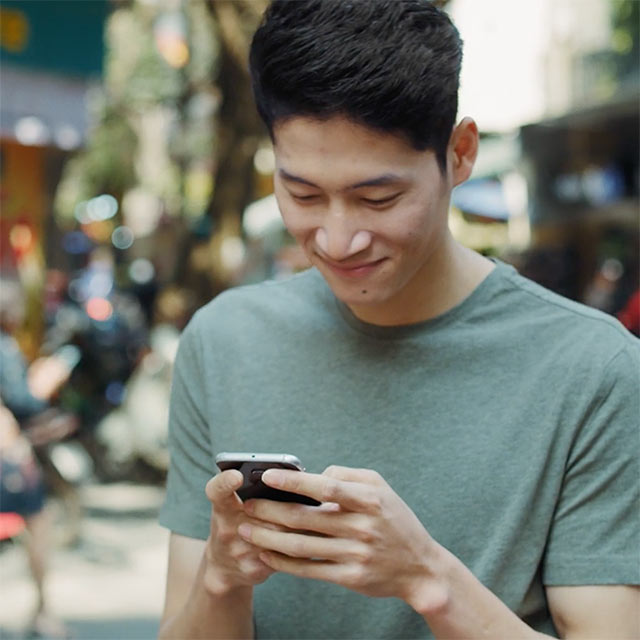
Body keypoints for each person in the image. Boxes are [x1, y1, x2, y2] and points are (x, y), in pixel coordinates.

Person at [158, 1, 640, 638]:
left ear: (459, 154)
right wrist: (221, 578)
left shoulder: (592, 369)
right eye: (302, 194)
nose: (336, 239)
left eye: (377, 198)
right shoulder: (224, 340)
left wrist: (426, 577)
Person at [0, 277, 73, 638]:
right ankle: (44, 611)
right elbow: (23, 402)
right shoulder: (4, 348)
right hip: (7, 458)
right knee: (38, 525)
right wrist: (44, 384)